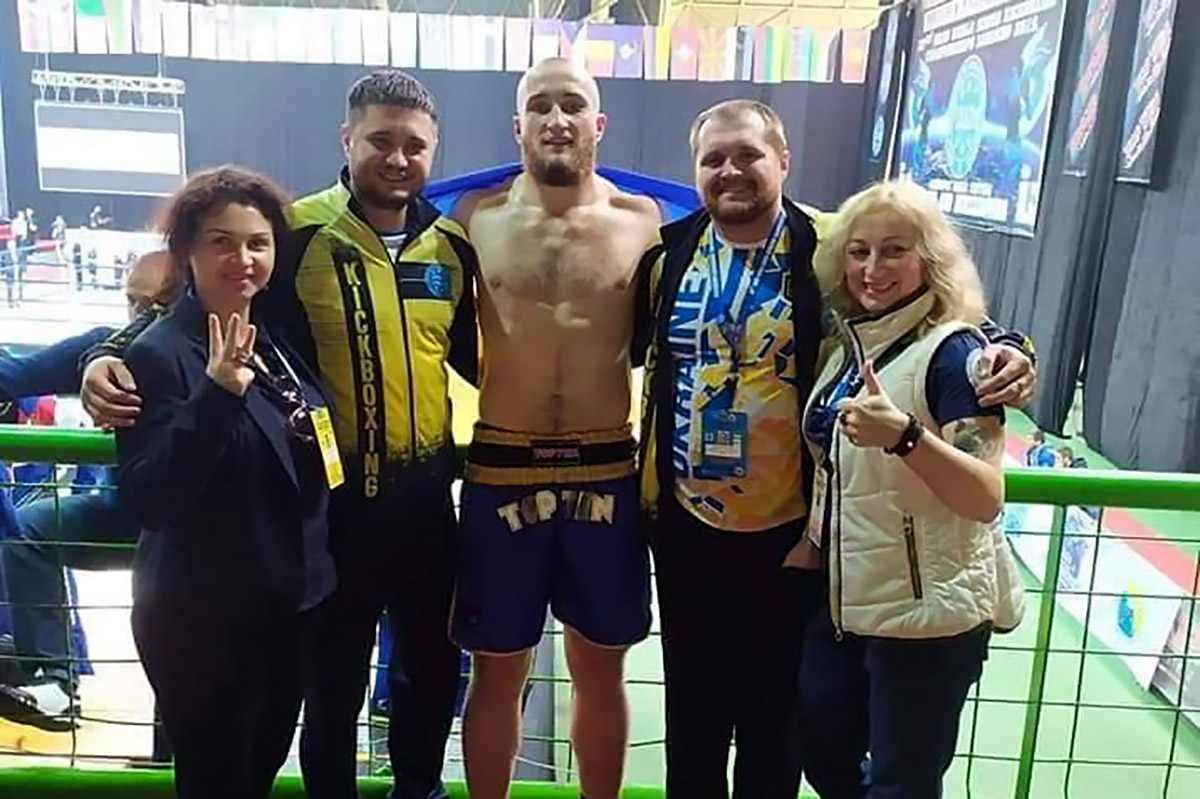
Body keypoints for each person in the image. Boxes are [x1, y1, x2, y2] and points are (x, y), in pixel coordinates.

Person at [81, 70, 477, 799]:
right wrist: (104, 350)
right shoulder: (298, 234)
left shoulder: (453, 245)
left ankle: (419, 789)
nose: (397, 158)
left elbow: (485, 353)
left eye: (414, 145)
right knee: (333, 686)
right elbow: (206, 301)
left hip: (425, 499)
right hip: (338, 509)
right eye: (380, 140)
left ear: (434, 149)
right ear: (347, 139)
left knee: (428, 669)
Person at [636, 101, 1035, 799]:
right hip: (687, 527)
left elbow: (938, 308)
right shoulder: (668, 255)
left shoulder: (829, 246)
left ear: (783, 160)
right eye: (713, 159)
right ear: (694, 170)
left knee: (777, 722)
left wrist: (1009, 348)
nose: (730, 170)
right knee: (692, 714)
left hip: (793, 536)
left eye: (748, 154)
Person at [451, 57, 661, 799]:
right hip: (501, 461)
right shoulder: (474, 217)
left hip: (606, 463)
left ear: (599, 123)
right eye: (540, 105)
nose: (556, 119)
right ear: (518, 125)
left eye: (572, 104)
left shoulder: (645, 221)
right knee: (496, 668)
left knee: (601, 666)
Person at [798, 179, 1025, 799]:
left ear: (930, 260)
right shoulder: (851, 345)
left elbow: (984, 495)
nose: (873, 268)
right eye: (860, 251)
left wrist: (904, 436)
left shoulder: (955, 353)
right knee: (822, 754)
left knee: (903, 785)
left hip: (928, 620)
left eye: (895, 250)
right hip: (847, 602)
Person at [116, 166, 336, 799]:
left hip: (286, 611)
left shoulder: (275, 338)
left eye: (257, 244)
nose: (243, 259)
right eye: (221, 242)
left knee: (256, 774)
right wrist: (215, 394)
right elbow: (152, 497)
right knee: (215, 781)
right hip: (204, 622)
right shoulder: (160, 354)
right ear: (187, 251)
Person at [0, 251, 180, 731]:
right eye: (134, 301)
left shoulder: (209, 350)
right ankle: (55, 683)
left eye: (160, 301)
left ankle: (172, 754)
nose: (145, 314)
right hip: (128, 515)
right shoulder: (104, 347)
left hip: (198, 530)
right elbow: (15, 375)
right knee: (29, 529)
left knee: (178, 649)